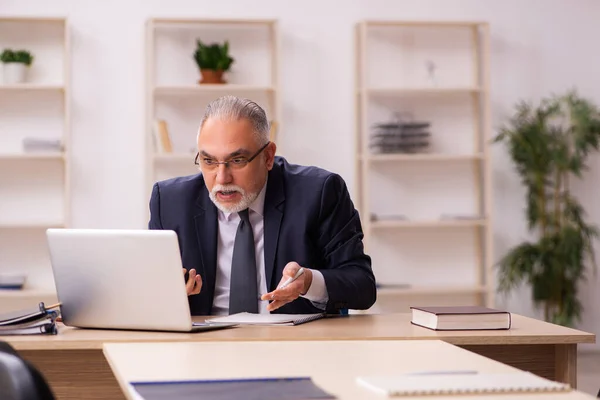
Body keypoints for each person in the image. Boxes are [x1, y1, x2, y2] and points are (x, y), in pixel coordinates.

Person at [148, 95, 376, 315]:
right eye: (209, 161)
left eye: (237, 161)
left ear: (268, 156)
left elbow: (362, 285)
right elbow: (149, 292)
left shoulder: (319, 192)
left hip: (294, 345)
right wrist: (165, 293)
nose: (221, 178)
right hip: (202, 344)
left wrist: (308, 282)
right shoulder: (169, 201)